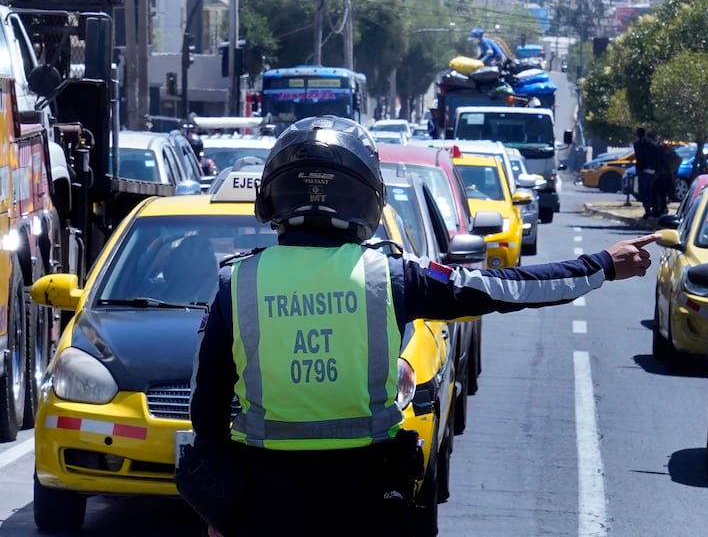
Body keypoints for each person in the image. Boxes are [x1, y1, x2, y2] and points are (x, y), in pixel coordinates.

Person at [182, 116, 657, 537]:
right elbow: (506, 288)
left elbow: (206, 412)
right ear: (366, 198)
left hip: (264, 508)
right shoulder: (389, 275)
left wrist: (221, 509)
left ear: (272, 198)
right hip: (365, 503)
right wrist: (601, 265)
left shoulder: (237, 282)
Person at [633, 127, 659, 218]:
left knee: (644, 191)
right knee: (650, 191)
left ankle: (648, 210)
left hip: (643, 170)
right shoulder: (651, 145)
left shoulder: (637, 145)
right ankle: (651, 209)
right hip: (651, 170)